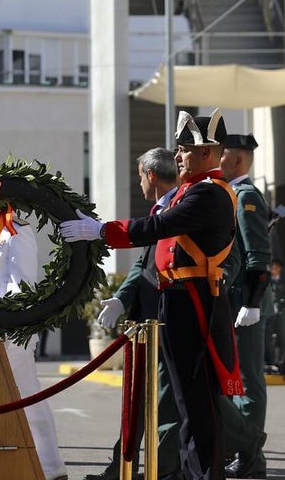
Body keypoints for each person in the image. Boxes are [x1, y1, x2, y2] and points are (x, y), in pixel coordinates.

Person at [61, 110, 241, 480]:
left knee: (196, 403)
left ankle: (206, 474)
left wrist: (100, 231)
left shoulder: (209, 194)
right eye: (178, 149)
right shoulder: (194, 190)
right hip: (177, 299)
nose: (178, 156)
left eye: (185, 149)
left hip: (192, 301)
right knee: (186, 401)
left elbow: (157, 227)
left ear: (208, 153)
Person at [86, 146, 181, 480]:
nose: (139, 183)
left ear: (151, 175)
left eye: (140, 176)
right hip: (146, 322)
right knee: (136, 398)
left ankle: (167, 470)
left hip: (170, 318)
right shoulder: (161, 208)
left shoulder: (179, 207)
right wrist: (121, 300)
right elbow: (143, 266)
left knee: (167, 401)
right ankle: (122, 466)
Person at [0, 215, 68, 480]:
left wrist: (10, 326)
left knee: (9, 397)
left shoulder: (16, 227)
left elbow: (22, 282)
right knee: (28, 396)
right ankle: (51, 466)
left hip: (7, 330)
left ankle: (47, 467)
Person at [220, 134, 272, 479]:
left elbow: (258, 258)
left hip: (245, 306)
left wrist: (252, 304)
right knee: (233, 382)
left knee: (248, 382)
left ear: (238, 161)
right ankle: (238, 446)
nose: (217, 162)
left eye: (222, 156)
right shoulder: (232, 195)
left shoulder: (246, 197)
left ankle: (251, 457)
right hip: (233, 303)